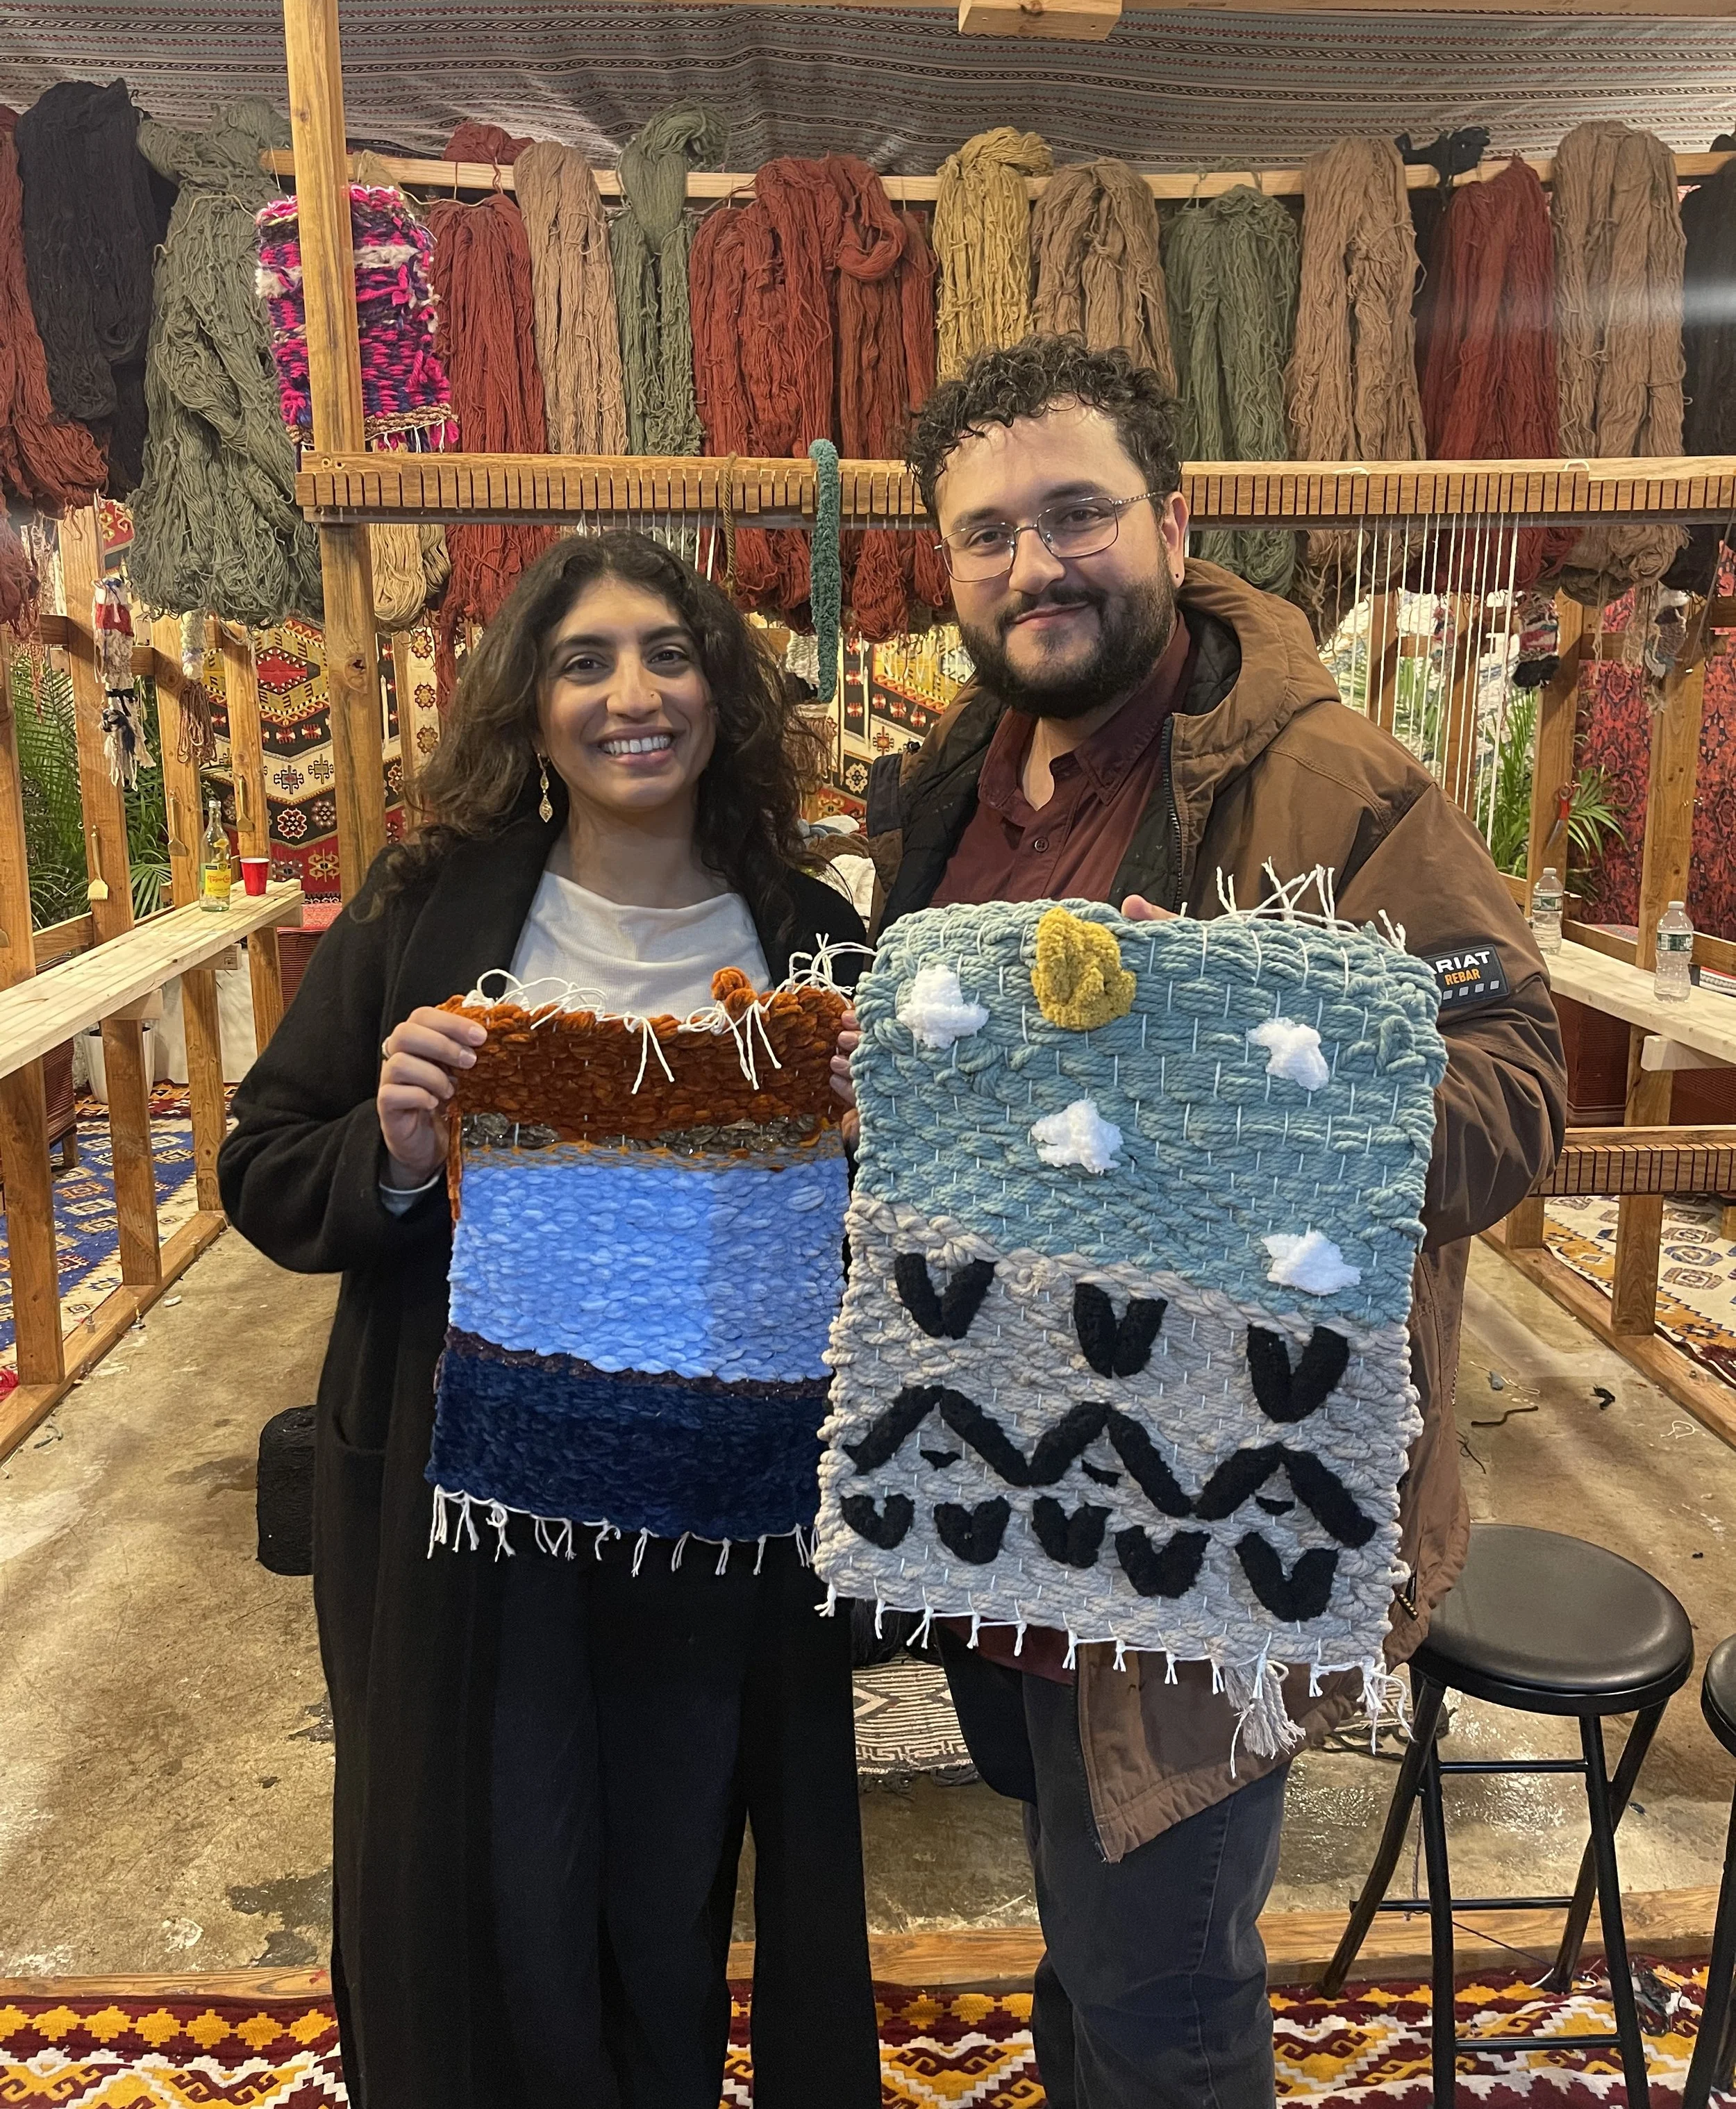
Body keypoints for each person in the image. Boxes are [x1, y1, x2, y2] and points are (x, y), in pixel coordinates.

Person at [835, 335, 1567, 2109]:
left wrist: (1230, 1080)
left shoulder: (1323, 784)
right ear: (944, 567)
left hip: (1210, 1513)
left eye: (1077, 514)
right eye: (987, 534)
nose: (1035, 565)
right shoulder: (944, 785)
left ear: (1173, 520)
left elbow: (1517, 1077)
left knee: (1161, 1994)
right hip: (997, 1492)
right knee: (1087, 1955)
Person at [220, 533, 880, 2109]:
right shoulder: (430, 908)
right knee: (483, 1877)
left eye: (667, 653)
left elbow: (887, 1246)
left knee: (669, 1884)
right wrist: (390, 1149)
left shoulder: (807, 930)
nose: (630, 694)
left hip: (721, 1528)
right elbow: (261, 1158)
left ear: (723, 689)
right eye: (584, 661)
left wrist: (877, 1140)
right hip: (472, 1523)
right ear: (528, 703)